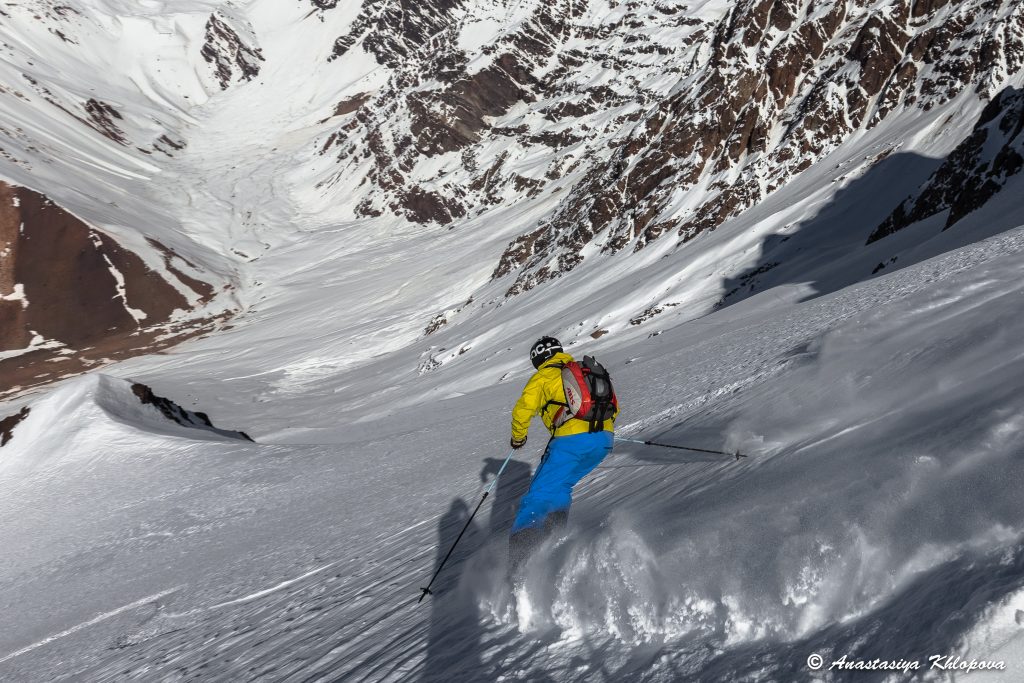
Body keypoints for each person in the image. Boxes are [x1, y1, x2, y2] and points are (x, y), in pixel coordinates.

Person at [507, 336, 617, 568]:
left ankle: (521, 562)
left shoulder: (542, 377)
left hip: (571, 442)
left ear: (537, 359)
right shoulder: (582, 370)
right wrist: (596, 431)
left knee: (538, 495)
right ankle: (554, 539)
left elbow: (522, 411)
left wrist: (518, 438)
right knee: (561, 485)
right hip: (604, 440)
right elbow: (613, 407)